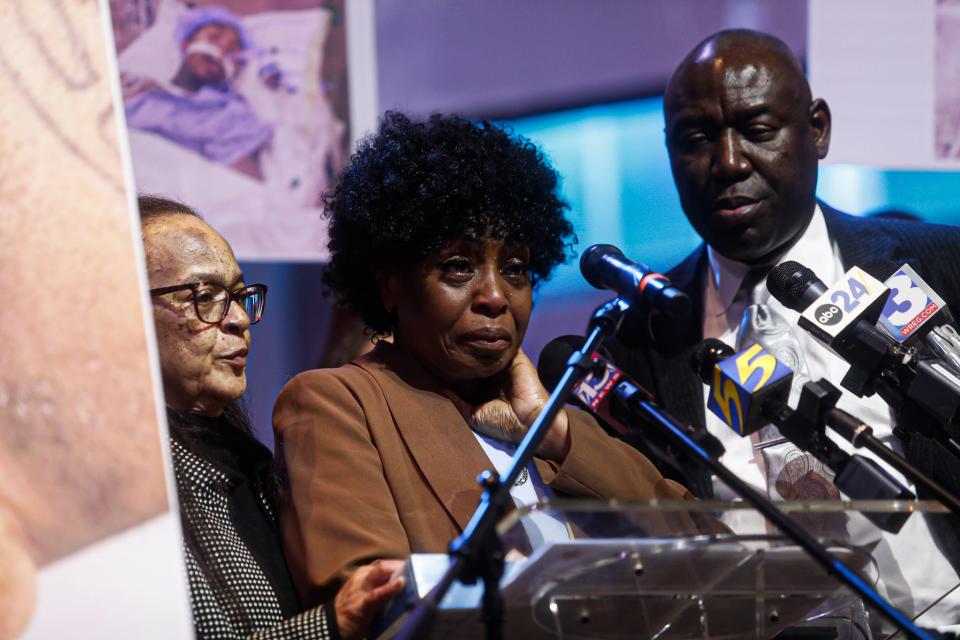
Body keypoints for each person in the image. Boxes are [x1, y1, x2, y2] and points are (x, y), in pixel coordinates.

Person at [604, 29, 960, 628]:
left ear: (816, 129)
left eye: (758, 130)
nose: (728, 162)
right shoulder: (639, 339)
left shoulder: (942, 266)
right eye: (695, 140)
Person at [272, 112, 694, 607]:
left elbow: (703, 542)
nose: (496, 295)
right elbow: (368, 602)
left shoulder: (555, 420)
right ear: (390, 285)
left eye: (515, 269)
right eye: (458, 267)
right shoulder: (340, 403)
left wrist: (553, 433)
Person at [140, 195, 404, 640]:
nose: (240, 319)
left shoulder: (252, 468)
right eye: (205, 297)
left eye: (239, 296)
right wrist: (331, 624)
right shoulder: (116, 502)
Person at [124, 7, 272, 180]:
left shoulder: (228, 115)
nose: (222, 50)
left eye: (232, 50)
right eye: (214, 37)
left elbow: (246, 190)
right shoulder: (140, 96)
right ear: (187, 44)